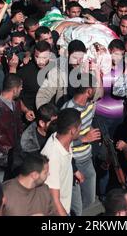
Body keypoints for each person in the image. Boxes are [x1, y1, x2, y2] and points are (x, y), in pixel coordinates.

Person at [61, 73, 102, 216]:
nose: (97, 90)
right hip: (73, 163)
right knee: (76, 207)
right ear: (89, 91)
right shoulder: (68, 111)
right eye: (95, 88)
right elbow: (61, 142)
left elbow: (87, 125)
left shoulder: (91, 105)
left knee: (90, 199)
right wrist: (84, 138)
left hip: (87, 160)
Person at [41, 108, 82, 216]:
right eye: (79, 127)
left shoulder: (64, 139)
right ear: (73, 131)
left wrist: (74, 170)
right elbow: (54, 199)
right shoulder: (52, 156)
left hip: (65, 203)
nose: (81, 129)